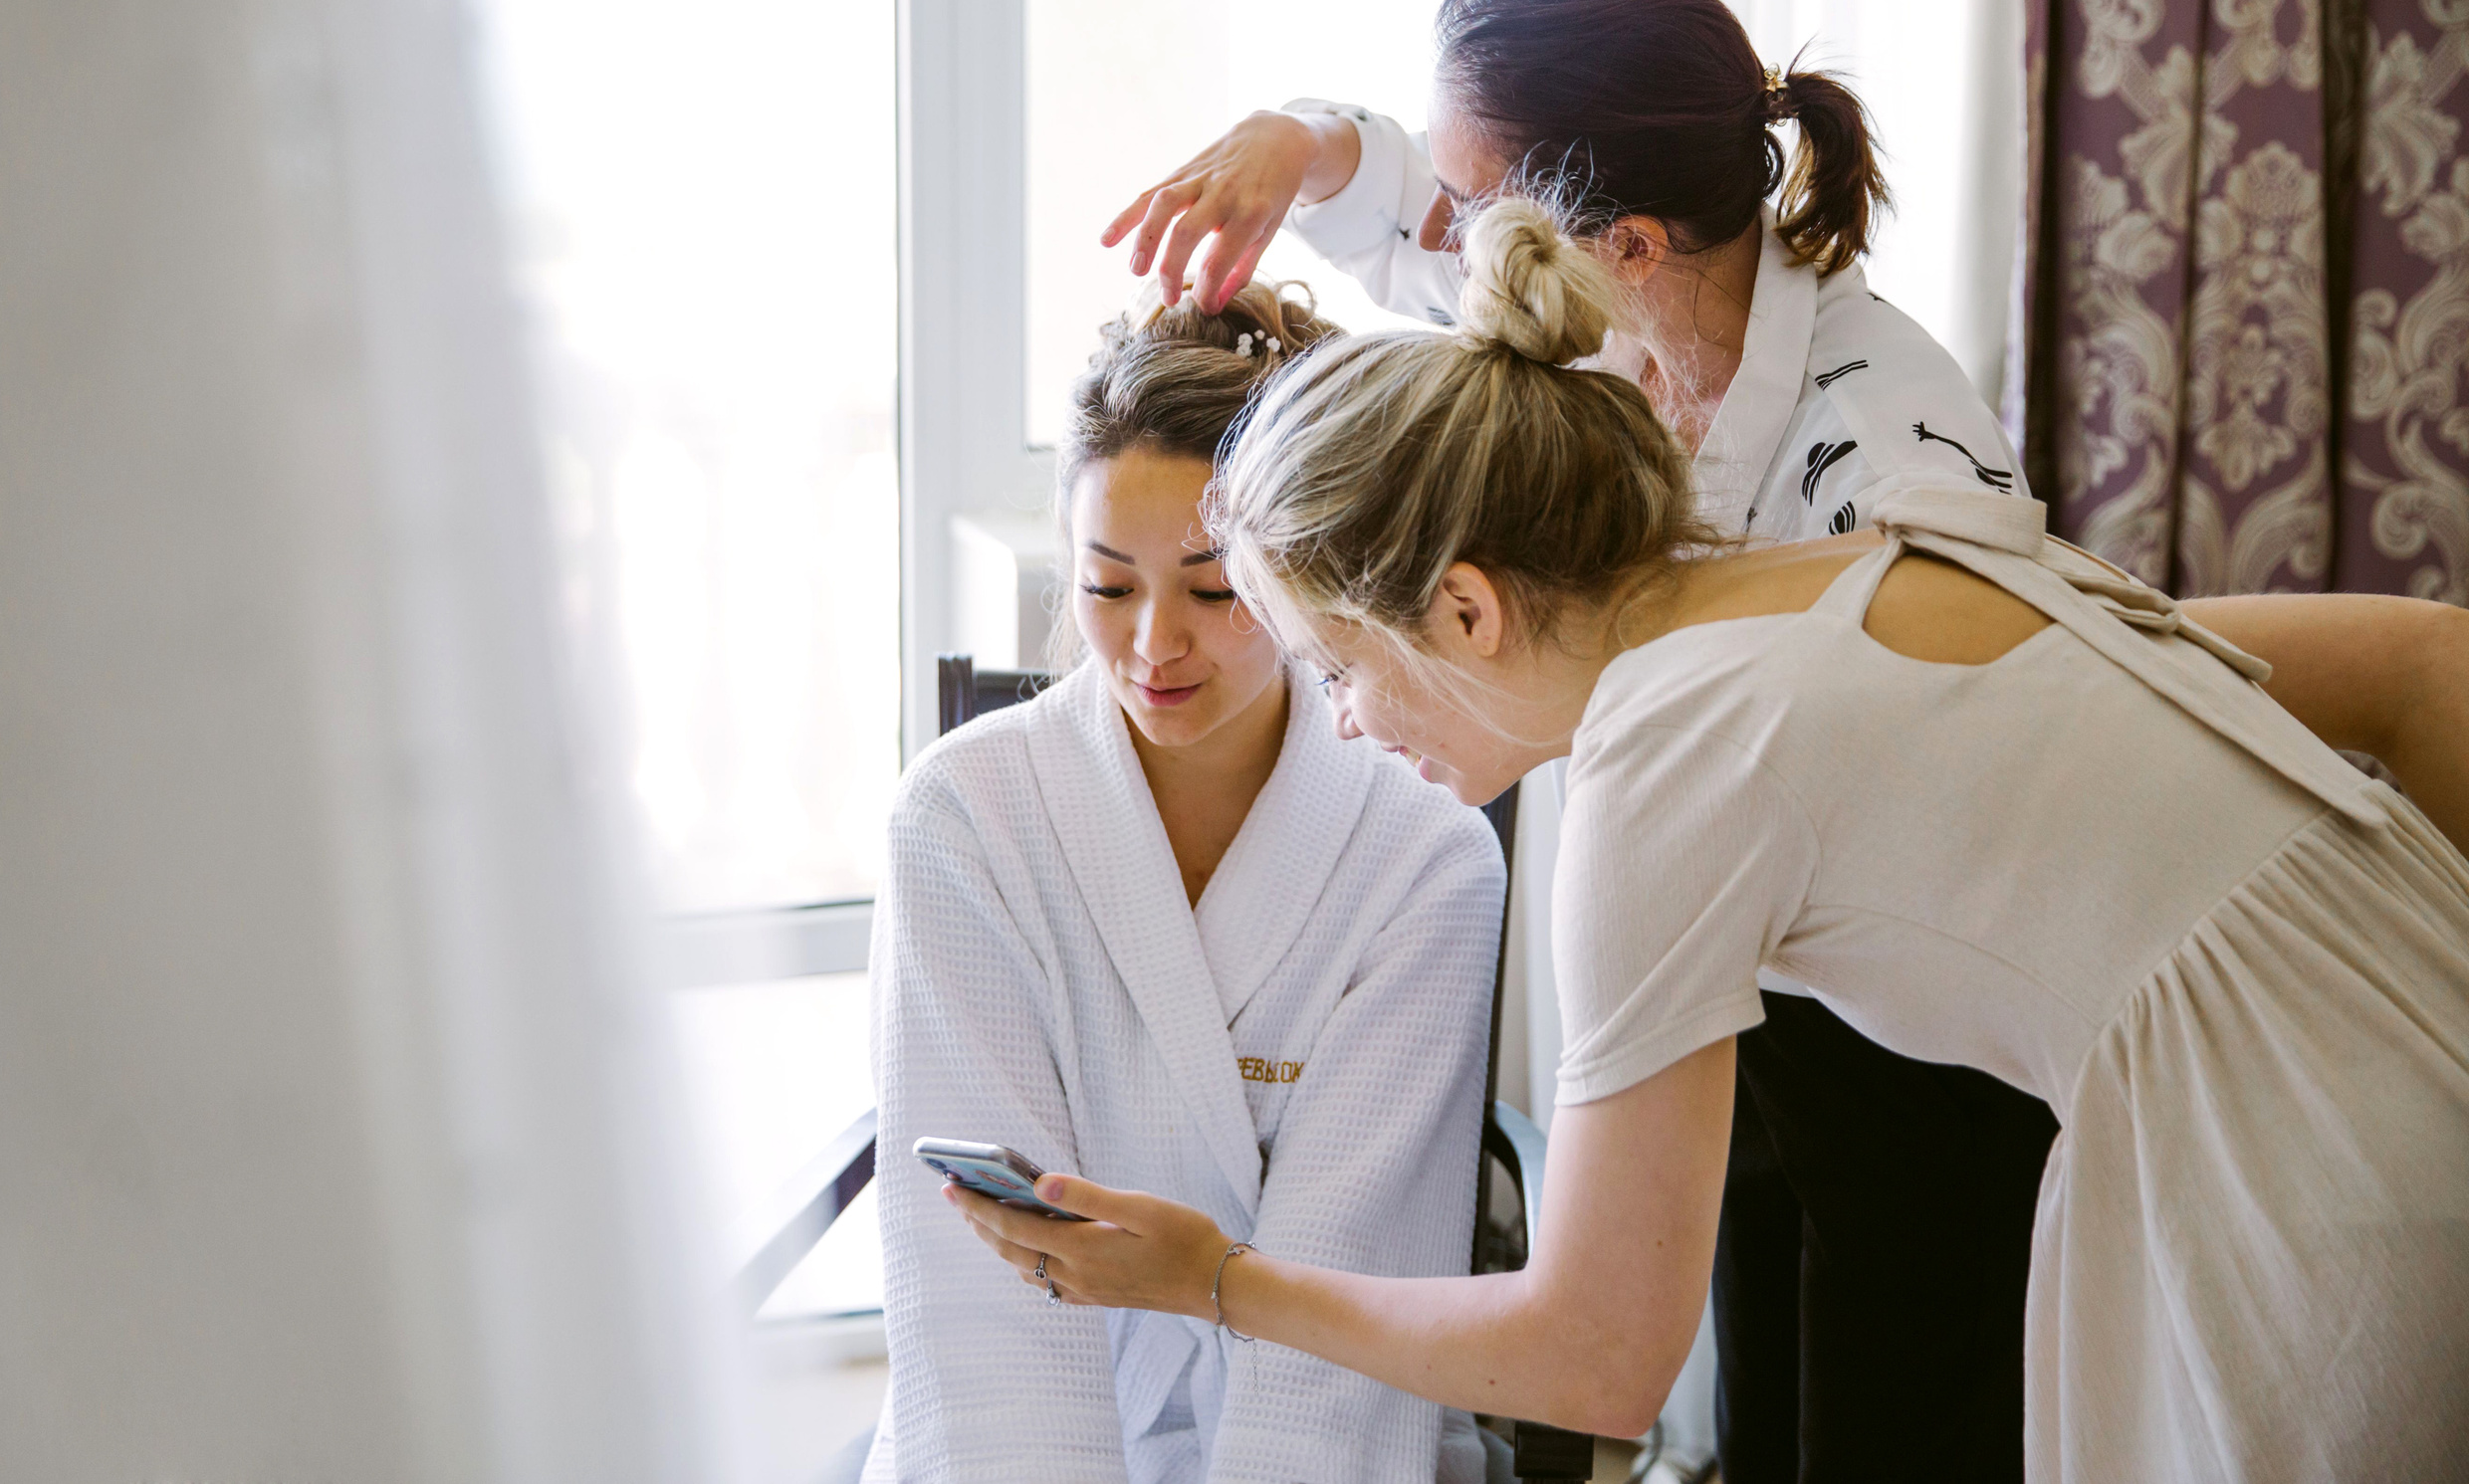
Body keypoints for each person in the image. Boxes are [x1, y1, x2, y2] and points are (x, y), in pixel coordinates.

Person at [945, 197, 2469, 1484]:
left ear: (1465, 608)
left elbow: (1603, 1356)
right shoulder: (1878, 553)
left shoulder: (1657, 757)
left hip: (2306, 1183)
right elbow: (2429, 659)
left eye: (1343, 667)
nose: (1344, 722)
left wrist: (1210, 1277)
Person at [1106, 0, 2048, 1479]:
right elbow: (1403, 189)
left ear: (1622, 238)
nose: (1441, 235)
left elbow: (1975, 761)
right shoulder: (1584, 304)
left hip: (1931, 1017)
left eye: (1468, 207)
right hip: (1751, 999)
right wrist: (1307, 137)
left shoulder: (1899, 464)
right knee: (1757, 1416)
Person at [862, 284, 1508, 1484]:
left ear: (1306, 569)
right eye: (1108, 588)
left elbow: (1353, 1298)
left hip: (1322, 1430)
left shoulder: (1424, 855)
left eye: (1214, 591)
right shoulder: (961, 819)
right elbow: (980, 1301)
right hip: (1041, 1422)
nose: (1155, 645)